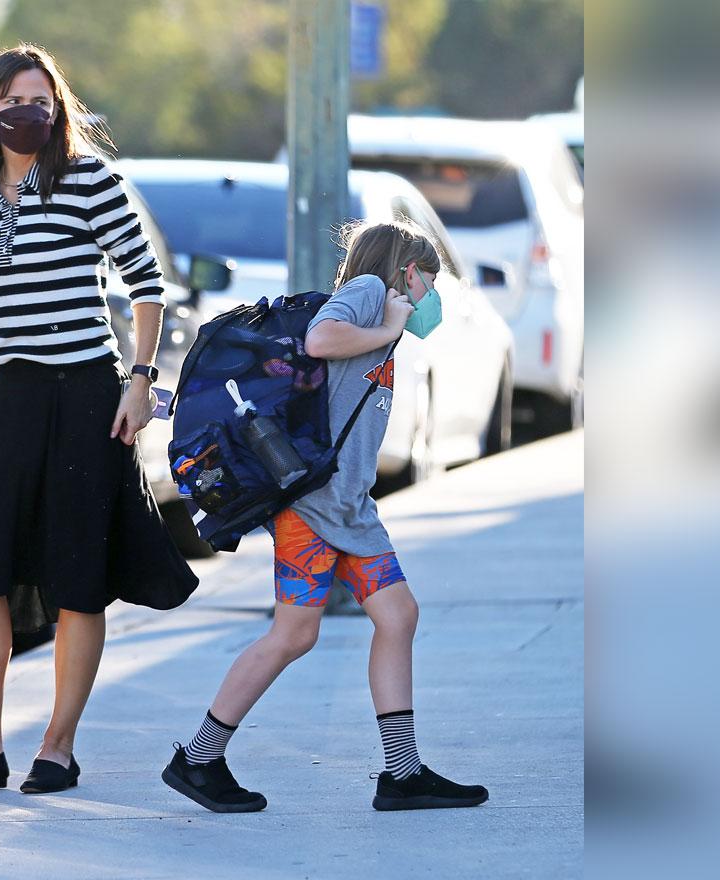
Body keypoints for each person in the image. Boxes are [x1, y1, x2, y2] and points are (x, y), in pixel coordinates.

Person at [0, 44, 198, 795]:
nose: (25, 113)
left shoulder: (89, 181)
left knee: (77, 576)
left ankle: (58, 749)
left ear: (57, 108)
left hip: (86, 396)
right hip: (13, 401)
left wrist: (140, 381)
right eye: (11, 100)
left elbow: (146, 281)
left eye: (39, 100)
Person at [160, 220, 489, 812]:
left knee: (397, 615)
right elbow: (320, 339)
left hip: (348, 507)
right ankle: (198, 758)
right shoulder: (369, 291)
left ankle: (402, 772)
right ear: (407, 272)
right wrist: (390, 319)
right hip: (314, 508)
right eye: (429, 283)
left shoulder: (382, 316)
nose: (430, 299)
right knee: (293, 635)